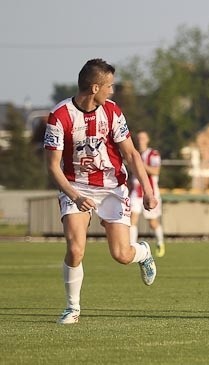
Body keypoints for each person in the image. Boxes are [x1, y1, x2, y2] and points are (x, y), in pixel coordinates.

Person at [44, 59, 158, 325]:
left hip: (112, 189)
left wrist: (148, 190)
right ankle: (72, 307)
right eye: (110, 86)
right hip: (76, 187)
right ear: (95, 87)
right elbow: (52, 166)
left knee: (121, 255)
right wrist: (75, 196)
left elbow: (130, 153)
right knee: (75, 249)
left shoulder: (113, 112)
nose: (113, 91)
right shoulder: (59, 116)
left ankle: (142, 252)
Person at [129, 130, 165, 257]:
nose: (140, 140)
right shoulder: (134, 153)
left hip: (150, 193)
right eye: (139, 138)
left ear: (147, 139)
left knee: (153, 222)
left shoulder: (153, 154)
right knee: (132, 218)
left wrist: (141, 165)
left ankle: (160, 242)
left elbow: (156, 171)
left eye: (143, 138)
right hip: (135, 192)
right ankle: (132, 246)